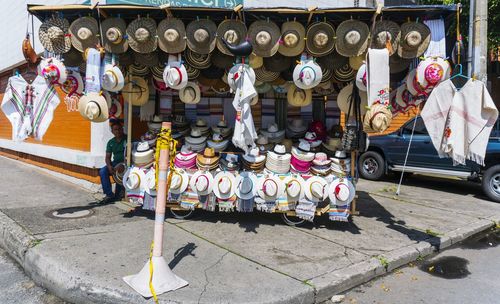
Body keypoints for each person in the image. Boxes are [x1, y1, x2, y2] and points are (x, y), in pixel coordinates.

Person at [99, 121, 126, 203]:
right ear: (112, 131)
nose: (117, 131)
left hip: (125, 163)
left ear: (122, 129)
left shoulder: (127, 139)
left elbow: (131, 154)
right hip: (115, 163)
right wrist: (109, 166)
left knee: (120, 171)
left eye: (119, 129)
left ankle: (119, 194)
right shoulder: (111, 142)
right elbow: (107, 157)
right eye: (115, 130)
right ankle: (109, 195)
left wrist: (123, 164)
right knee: (103, 171)